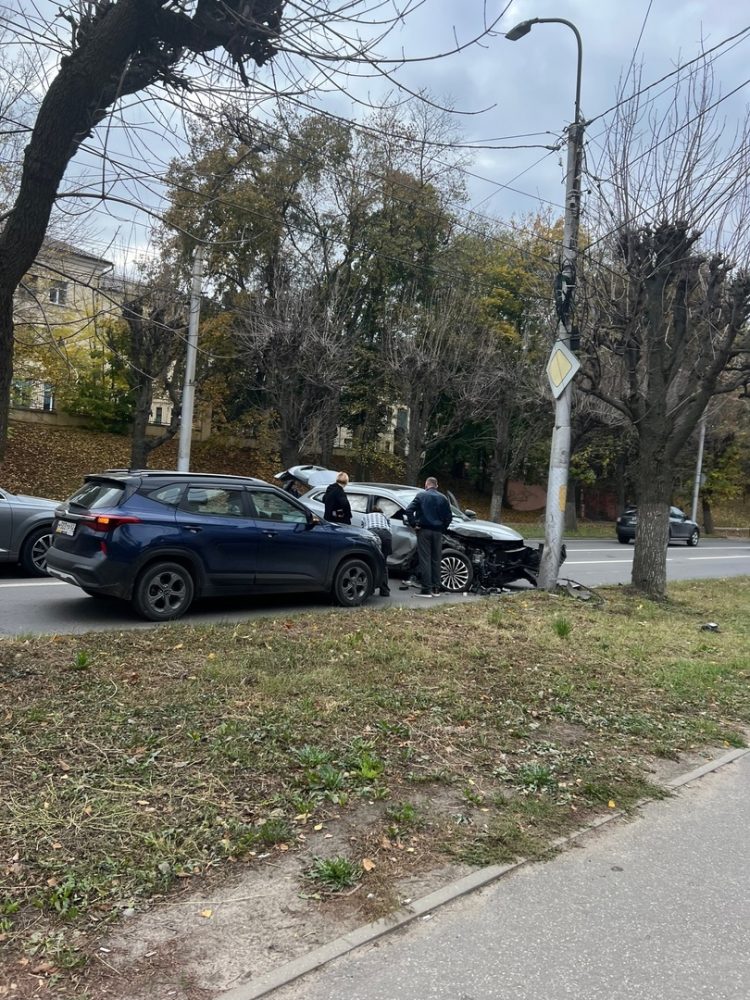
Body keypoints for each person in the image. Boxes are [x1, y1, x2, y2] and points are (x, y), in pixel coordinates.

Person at [405, 476, 452, 597]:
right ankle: (436, 589)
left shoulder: (421, 496)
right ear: (436, 485)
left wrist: (414, 524)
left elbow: (409, 510)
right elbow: (449, 517)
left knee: (425, 559)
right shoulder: (443, 498)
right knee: (436, 559)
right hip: (438, 532)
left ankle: (426, 589)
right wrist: (442, 528)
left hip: (424, 530)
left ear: (426, 485)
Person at [361, 507, 392, 597]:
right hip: (386, 535)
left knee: (372, 562)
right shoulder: (385, 516)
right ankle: (384, 590)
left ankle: (370, 590)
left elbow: (363, 530)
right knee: (383, 563)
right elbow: (390, 529)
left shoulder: (365, 516)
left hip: (373, 533)